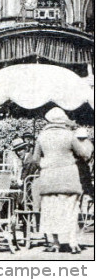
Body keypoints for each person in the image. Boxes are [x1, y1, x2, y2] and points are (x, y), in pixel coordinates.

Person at [33, 107, 93, 254]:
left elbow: (35, 159)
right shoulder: (69, 135)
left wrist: (46, 164)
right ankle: (73, 242)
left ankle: (55, 242)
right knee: (71, 209)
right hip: (68, 177)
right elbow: (84, 154)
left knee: (50, 209)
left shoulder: (42, 136)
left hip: (48, 177)